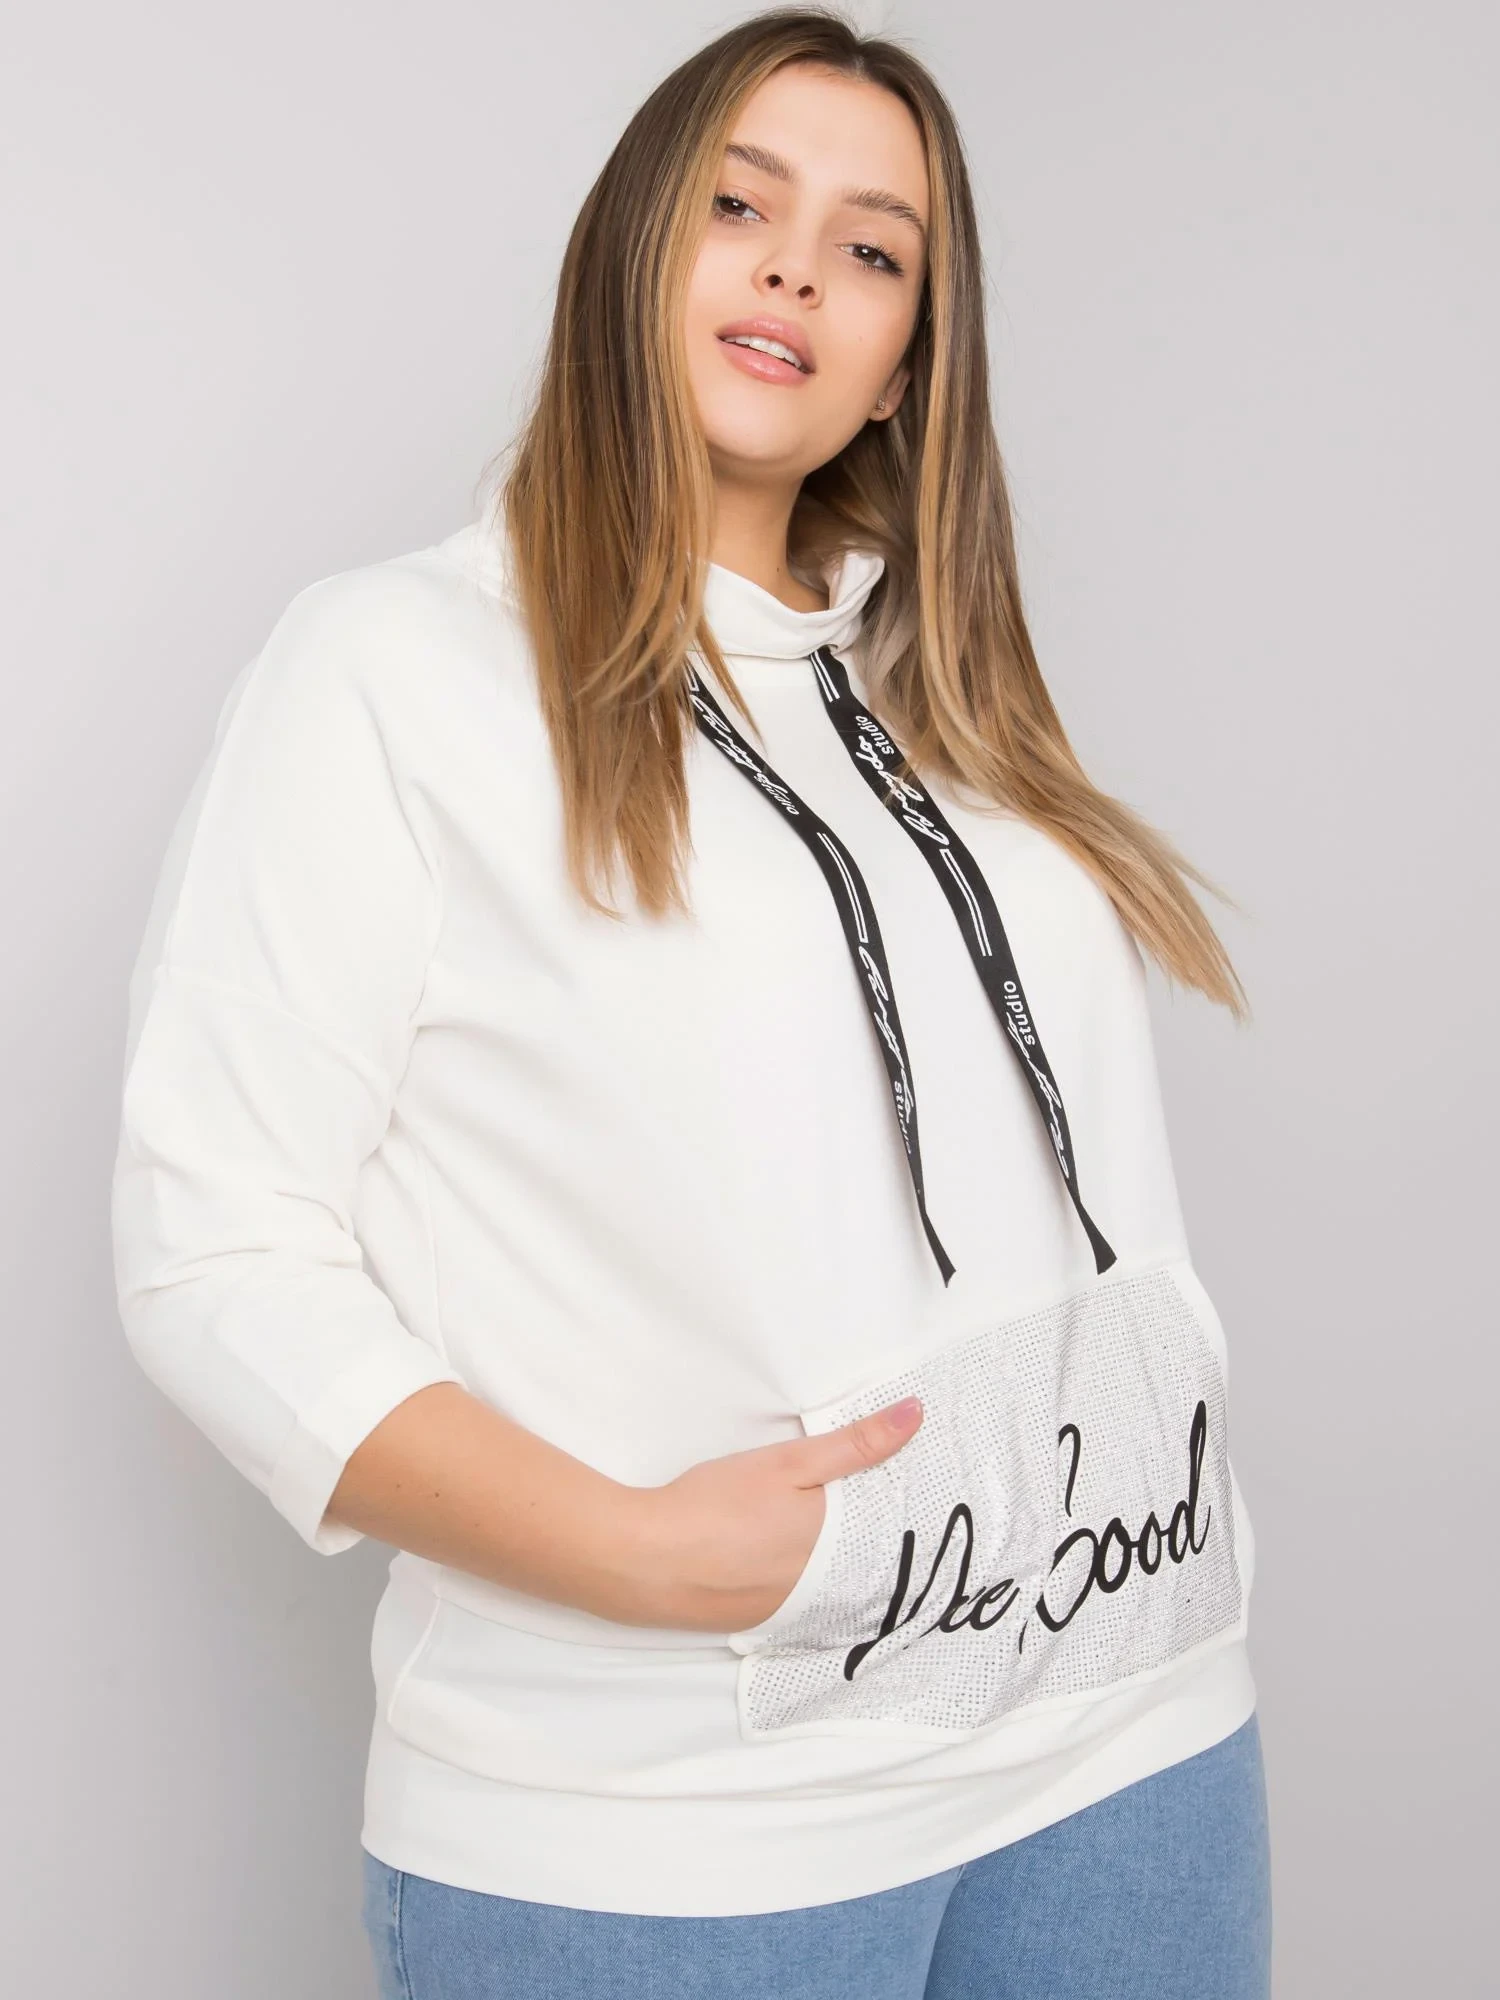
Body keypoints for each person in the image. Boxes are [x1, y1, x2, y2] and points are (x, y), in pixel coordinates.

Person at [110, 8, 1271, 1996]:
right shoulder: (396, 673)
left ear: (911, 355)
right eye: (741, 205)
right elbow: (210, 1249)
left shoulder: (946, 701)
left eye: (874, 248)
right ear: (631, 244)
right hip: (671, 1820)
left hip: (1131, 1738)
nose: (798, 269)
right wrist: (636, 1550)